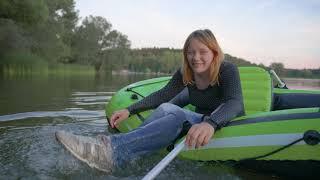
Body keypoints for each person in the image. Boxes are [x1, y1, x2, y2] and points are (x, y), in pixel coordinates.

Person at [55, 29, 245, 173]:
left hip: (224, 122)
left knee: (176, 115)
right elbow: (163, 94)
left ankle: (110, 151)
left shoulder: (227, 70)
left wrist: (211, 123)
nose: (196, 58)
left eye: (202, 52)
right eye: (190, 52)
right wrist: (130, 110)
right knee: (165, 107)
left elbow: (235, 102)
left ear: (214, 52)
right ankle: (117, 148)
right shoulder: (185, 73)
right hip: (199, 119)